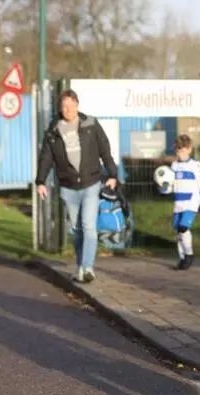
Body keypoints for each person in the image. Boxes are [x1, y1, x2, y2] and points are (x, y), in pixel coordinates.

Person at [35, 89, 118, 283]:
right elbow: (46, 158)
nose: (68, 109)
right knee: (77, 230)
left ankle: (87, 268)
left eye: (71, 105)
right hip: (68, 187)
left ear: (77, 105)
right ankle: (81, 267)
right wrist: (40, 181)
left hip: (91, 183)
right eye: (64, 106)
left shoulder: (91, 124)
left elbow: (105, 150)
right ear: (60, 108)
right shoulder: (53, 131)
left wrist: (113, 174)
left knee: (89, 226)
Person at [170, 134, 200, 270]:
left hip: (191, 203)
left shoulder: (195, 165)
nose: (181, 153)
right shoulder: (174, 165)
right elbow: (170, 184)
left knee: (183, 227)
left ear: (189, 150)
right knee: (179, 231)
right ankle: (183, 257)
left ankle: (189, 255)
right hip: (178, 203)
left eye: (183, 150)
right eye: (178, 150)